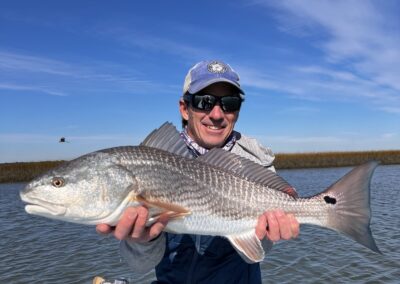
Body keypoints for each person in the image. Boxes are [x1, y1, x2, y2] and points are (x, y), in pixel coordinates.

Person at [96, 60, 300, 283]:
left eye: (229, 103)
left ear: (237, 112)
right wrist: (143, 240)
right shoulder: (150, 161)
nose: (216, 114)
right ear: (185, 108)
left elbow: (253, 255)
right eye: (204, 102)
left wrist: (267, 235)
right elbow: (139, 265)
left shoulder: (255, 162)